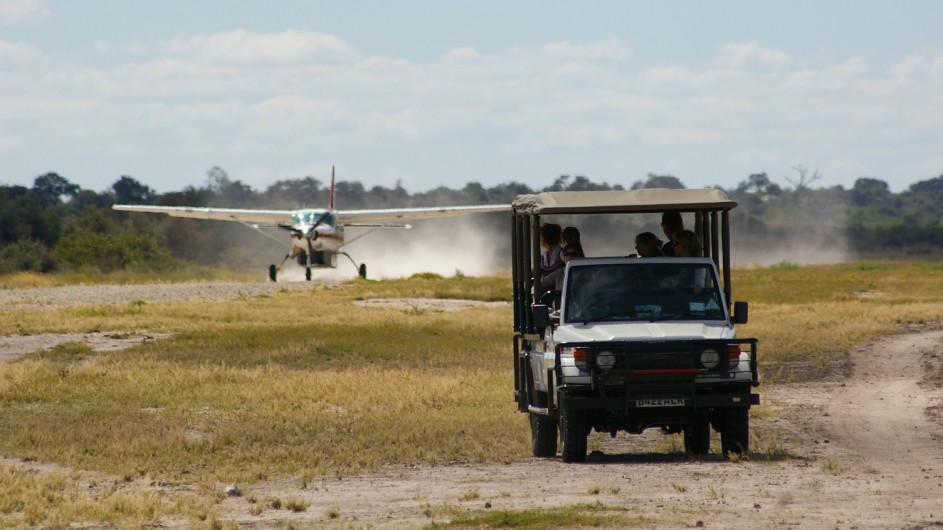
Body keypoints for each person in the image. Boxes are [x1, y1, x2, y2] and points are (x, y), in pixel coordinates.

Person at [670, 229, 705, 293]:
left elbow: (699, 286)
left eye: (675, 243)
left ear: (685, 245)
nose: (672, 246)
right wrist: (670, 281)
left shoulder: (699, 264)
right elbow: (681, 277)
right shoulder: (681, 262)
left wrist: (696, 286)